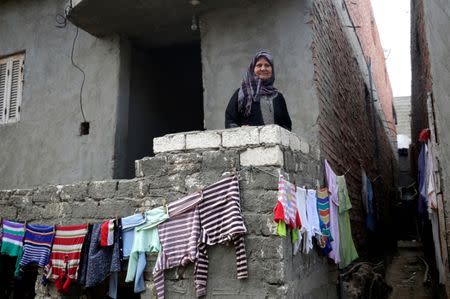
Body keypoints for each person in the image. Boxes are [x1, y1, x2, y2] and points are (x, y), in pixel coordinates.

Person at [225, 50, 292, 131]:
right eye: (259, 65)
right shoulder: (241, 93)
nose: (263, 68)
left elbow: (287, 125)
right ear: (252, 69)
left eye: (267, 65)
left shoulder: (278, 97)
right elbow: (230, 121)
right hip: (248, 142)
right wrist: (241, 131)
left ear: (272, 69)